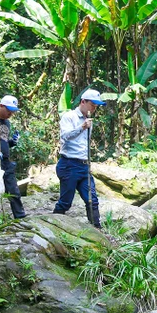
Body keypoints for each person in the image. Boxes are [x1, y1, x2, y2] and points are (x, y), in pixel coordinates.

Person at [53, 89, 107, 228]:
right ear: (83, 102)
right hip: (69, 164)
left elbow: (85, 145)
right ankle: (51, 225)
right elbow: (65, 136)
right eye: (92, 105)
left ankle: (97, 229)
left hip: (84, 166)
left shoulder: (89, 121)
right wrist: (82, 127)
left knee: (92, 200)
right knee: (66, 202)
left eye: (96, 106)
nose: (94, 108)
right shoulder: (69, 117)